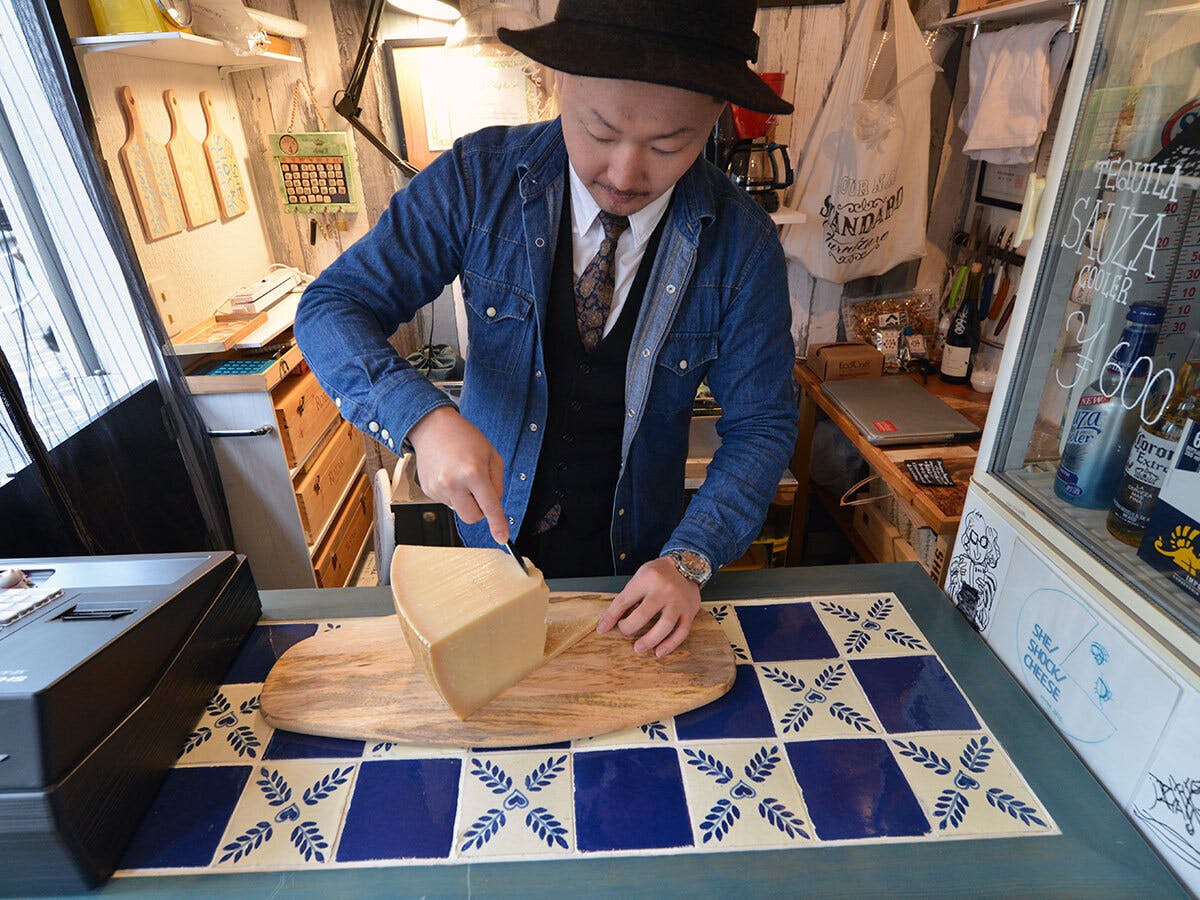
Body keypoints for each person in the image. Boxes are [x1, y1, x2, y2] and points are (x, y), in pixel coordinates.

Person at [295, 0, 798, 657]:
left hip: (639, 575)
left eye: (668, 145)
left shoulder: (742, 243)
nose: (624, 175)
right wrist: (422, 418)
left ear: (716, 118)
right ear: (560, 83)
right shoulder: (478, 180)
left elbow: (762, 424)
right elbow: (332, 306)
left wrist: (691, 559)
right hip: (488, 558)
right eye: (599, 132)